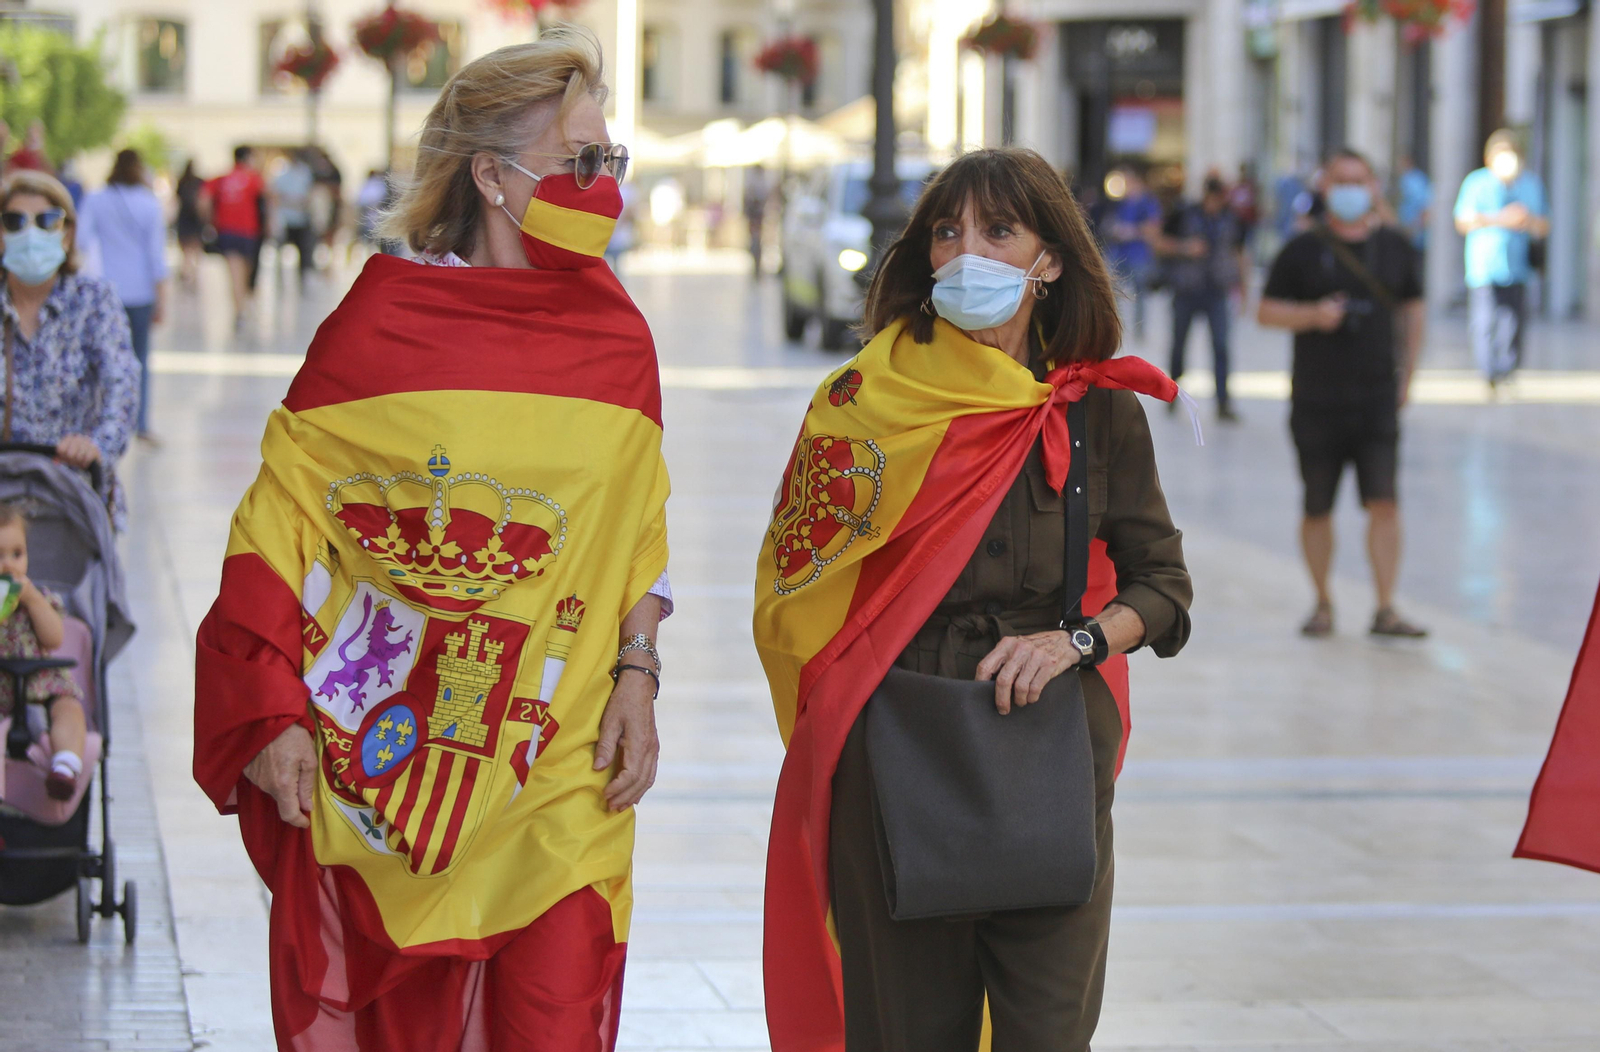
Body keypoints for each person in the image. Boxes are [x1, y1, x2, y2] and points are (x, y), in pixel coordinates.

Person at [192, 29, 673, 1048]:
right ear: (492, 177)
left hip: (558, 759)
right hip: (394, 768)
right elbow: (277, 524)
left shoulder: (618, 336)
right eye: (578, 161)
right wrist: (273, 707)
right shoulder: (378, 327)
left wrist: (638, 669)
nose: (602, 184)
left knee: (552, 1021)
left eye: (609, 159)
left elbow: (635, 528)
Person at [754, 148, 1192, 1052]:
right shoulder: (865, 401)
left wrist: (1075, 642)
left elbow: (1164, 589)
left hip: (1050, 751)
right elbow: (796, 583)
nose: (967, 254)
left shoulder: (1097, 409)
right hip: (897, 751)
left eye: (999, 231)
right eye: (947, 233)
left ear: (1050, 261)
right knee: (903, 1033)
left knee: (1047, 1031)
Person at [1257, 148, 1427, 639]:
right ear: (1325, 189)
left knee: (1385, 503)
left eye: (1360, 179)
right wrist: (1313, 316)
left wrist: (1408, 377)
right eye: (1341, 180)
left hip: (1376, 398)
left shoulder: (1396, 246)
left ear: (1374, 186)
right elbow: (1265, 311)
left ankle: (1386, 606)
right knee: (1317, 506)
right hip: (1316, 399)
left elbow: (1413, 312)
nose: (1351, 189)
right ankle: (1322, 601)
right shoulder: (1302, 249)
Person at [0, 171, 140, 530]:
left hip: (73, 498)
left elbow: (121, 384)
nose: (30, 233)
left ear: (67, 234)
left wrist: (96, 445)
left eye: (47, 221)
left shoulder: (94, 301)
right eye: (15, 221)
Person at [79, 149, 169, 439]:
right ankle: (140, 422)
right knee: (139, 358)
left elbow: (80, 239)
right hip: (141, 291)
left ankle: (102, 420)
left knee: (99, 359)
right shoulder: (149, 203)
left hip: (105, 291)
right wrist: (162, 298)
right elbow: (157, 255)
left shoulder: (96, 199)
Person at [0, 502, 86, 800]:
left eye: (17, 554)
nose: (8, 565)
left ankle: (65, 765)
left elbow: (53, 638)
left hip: (42, 684)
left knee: (70, 709)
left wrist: (33, 601)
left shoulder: (40, 597)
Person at [1454, 129, 1549, 388]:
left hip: (1517, 267)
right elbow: (1462, 221)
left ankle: (1507, 370)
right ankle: (1488, 372)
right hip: (1484, 266)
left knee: (1513, 323)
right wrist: (1498, 218)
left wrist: (1526, 220)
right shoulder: (1476, 183)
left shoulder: (1530, 184)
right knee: (1484, 321)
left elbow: (1543, 225)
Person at [1160, 175, 1246, 421]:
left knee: (1221, 346)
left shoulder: (1231, 219)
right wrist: (1185, 248)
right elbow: (1159, 242)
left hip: (1216, 291)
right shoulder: (1184, 214)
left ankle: (1223, 401)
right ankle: (1171, 392)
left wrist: (1243, 288)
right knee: (1179, 344)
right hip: (1187, 290)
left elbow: (1240, 253)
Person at [201, 145, 267, 327]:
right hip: (249, 231)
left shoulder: (221, 179)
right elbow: (271, 198)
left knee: (235, 273)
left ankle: (240, 309)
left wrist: (210, 221)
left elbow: (203, 200)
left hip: (227, 230)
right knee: (246, 271)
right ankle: (243, 308)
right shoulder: (254, 179)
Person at [1104, 164, 1162, 342]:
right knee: (1112, 291)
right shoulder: (1121, 202)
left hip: (1139, 255)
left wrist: (1132, 231)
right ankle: (1114, 327)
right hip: (1120, 254)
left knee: (1140, 294)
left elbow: (1154, 228)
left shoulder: (1148, 202)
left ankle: (1140, 329)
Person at [273, 148, 317, 282]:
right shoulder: (282, 174)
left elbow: (309, 194)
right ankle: (280, 277)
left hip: (301, 218)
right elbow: (277, 195)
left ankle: (302, 276)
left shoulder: (306, 173)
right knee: (281, 249)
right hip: (286, 218)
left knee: (303, 250)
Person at [174, 160, 205, 284]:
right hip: (195, 217)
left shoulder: (182, 180)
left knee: (186, 248)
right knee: (196, 247)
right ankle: (194, 272)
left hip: (185, 217)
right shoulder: (198, 181)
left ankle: (187, 270)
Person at [1396, 154, 1431, 255]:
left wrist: (1413, 229)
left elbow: (1425, 207)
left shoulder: (1415, 180)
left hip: (1416, 236)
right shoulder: (1405, 178)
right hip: (1407, 234)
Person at [744, 164, 770, 276]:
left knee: (756, 240)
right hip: (755, 215)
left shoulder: (760, 182)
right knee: (754, 239)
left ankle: (757, 263)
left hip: (757, 215)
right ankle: (755, 261)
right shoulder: (756, 182)